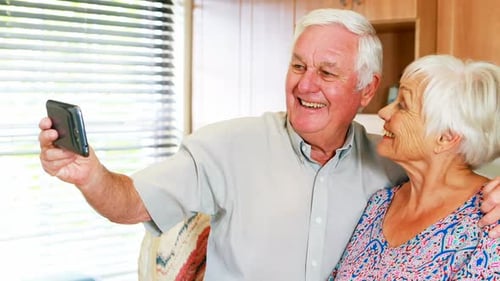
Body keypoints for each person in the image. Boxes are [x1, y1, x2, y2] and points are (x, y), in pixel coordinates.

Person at [38, 9, 500, 281]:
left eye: (327, 72)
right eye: (298, 66)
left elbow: (455, 175)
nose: (305, 85)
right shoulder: (229, 144)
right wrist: (90, 175)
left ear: (365, 88)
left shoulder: (391, 163)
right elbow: (131, 202)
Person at [330, 54, 500, 280]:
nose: (384, 112)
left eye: (402, 105)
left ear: (446, 138)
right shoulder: (379, 204)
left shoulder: (491, 219)